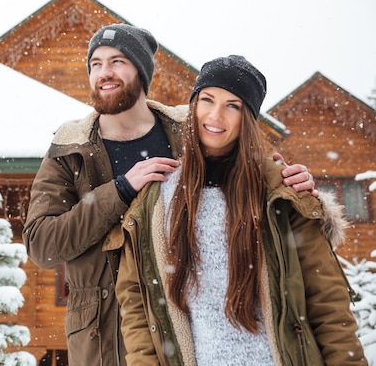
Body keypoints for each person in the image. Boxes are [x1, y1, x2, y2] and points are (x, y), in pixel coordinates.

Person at [22, 25, 316, 366]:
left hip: (187, 331)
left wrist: (285, 180)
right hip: (104, 341)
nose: (105, 73)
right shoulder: (69, 150)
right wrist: (119, 191)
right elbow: (41, 245)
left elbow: (243, 167)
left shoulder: (187, 132)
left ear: (142, 72)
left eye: (117, 61)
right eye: (96, 64)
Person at [111, 55, 366, 365]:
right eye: (207, 100)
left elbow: (328, 303)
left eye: (233, 105)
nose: (215, 115)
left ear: (247, 118)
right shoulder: (157, 198)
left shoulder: (280, 195)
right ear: (193, 107)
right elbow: (137, 303)